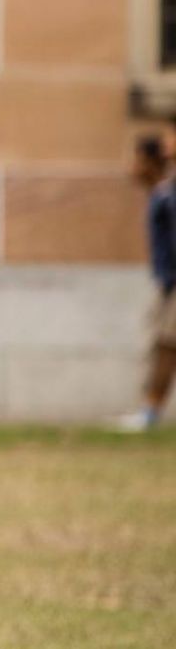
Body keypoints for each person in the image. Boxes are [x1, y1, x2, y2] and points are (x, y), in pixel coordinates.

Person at [120, 120, 176, 431]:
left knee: (166, 346)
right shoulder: (163, 193)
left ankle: (150, 410)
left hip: (172, 282)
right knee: (161, 345)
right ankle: (149, 409)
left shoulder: (169, 195)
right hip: (167, 281)